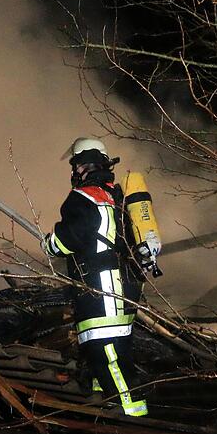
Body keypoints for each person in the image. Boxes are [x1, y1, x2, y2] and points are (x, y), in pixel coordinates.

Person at [42, 138, 160, 417]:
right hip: (125, 284)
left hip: (101, 287)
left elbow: (69, 238)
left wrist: (49, 243)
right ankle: (105, 404)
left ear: (81, 166)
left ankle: (132, 415)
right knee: (112, 348)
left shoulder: (82, 197)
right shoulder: (116, 196)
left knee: (104, 347)